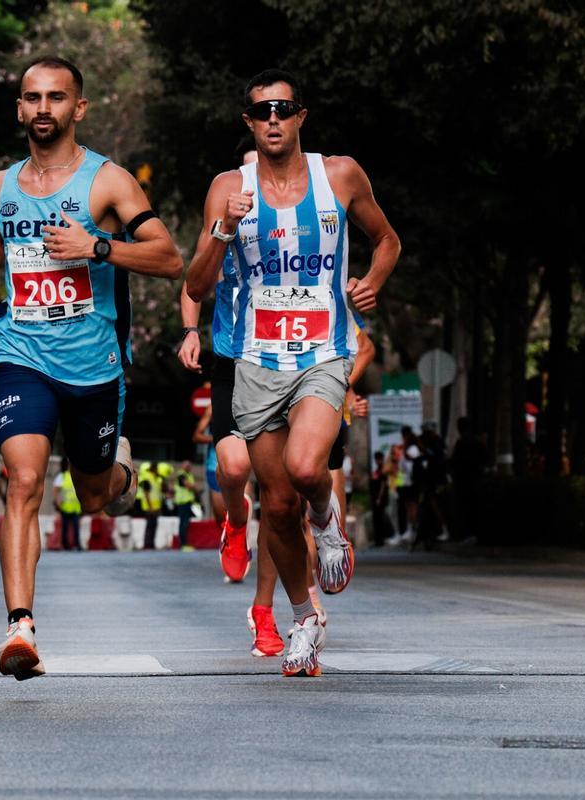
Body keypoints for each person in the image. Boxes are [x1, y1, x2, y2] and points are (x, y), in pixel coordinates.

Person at [0, 55, 181, 680]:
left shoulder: (108, 182)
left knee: (95, 496)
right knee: (23, 481)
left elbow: (169, 259)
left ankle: (119, 469)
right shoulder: (1, 185)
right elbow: (14, 249)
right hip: (21, 353)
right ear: (19, 108)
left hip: (92, 364)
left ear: (78, 108)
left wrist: (97, 246)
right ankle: (19, 627)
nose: (43, 108)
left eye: (56, 97)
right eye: (33, 97)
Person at [184, 69, 400, 677]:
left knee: (307, 469)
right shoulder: (228, 187)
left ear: (302, 116)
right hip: (255, 361)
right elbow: (196, 285)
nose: (274, 119)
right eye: (262, 111)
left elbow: (387, 240)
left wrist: (372, 283)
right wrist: (224, 229)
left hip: (324, 353)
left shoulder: (341, 176)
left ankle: (328, 524)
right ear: (249, 123)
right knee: (276, 507)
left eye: (284, 108)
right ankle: (304, 618)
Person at [178, 140, 259, 583]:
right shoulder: (221, 223)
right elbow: (194, 281)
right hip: (233, 355)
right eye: (246, 175)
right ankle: (236, 522)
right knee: (234, 465)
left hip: (289, 360)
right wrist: (191, 332)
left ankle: (300, 601)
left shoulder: (299, 220)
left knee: (289, 486)